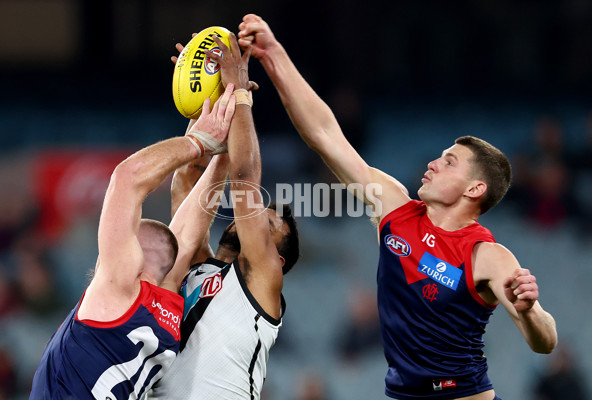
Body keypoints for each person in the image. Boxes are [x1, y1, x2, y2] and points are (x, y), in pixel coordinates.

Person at [238, 14, 558, 400]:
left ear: (476, 188)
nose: (433, 164)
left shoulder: (487, 256)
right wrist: (274, 55)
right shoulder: (393, 209)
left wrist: (529, 311)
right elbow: (324, 134)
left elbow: (545, 342)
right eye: (440, 156)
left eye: (449, 162)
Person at [29, 84, 237, 400]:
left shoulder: (118, 288)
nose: (111, 243)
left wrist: (197, 142)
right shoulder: (167, 311)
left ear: (136, 256)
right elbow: (186, 235)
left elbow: (126, 177)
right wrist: (222, 147)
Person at [147, 31, 300, 400]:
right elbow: (186, 182)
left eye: (272, 222)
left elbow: (245, 181)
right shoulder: (200, 266)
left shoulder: (265, 282)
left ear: (278, 260)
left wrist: (241, 95)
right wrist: (210, 100)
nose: (260, 212)